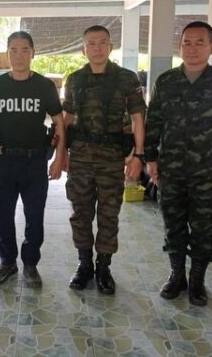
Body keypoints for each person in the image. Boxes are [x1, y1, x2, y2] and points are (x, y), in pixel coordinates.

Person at [144, 21, 212, 306]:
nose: (192, 49)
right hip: (171, 169)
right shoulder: (166, 81)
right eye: (187, 43)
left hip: (208, 171)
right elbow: (154, 122)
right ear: (179, 47)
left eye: (200, 42)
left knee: (203, 227)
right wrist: (150, 158)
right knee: (173, 224)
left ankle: (197, 280)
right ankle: (176, 275)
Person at [0, 31, 66, 288]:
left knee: (34, 216)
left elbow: (59, 123)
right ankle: (7, 262)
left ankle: (30, 264)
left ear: (32, 53)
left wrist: (59, 159)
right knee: (3, 215)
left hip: (34, 163)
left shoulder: (44, 86)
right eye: (13, 50)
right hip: (3, 162)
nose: (19, 55)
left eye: (24, 50)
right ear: (7, 54)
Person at [63, 25, 146, 295]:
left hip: (112, 158)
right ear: (83, 48)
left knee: (109, 214)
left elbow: (138, 119)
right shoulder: (75, 79)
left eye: (102, 43)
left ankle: (104, 267)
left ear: (111, 47)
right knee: (81, 213)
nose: (97, 48)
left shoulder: (126, 78)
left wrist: (139, 155)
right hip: (81, 157)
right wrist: (61, 153)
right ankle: (84, 265)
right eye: (91, 43)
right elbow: (67, 119)